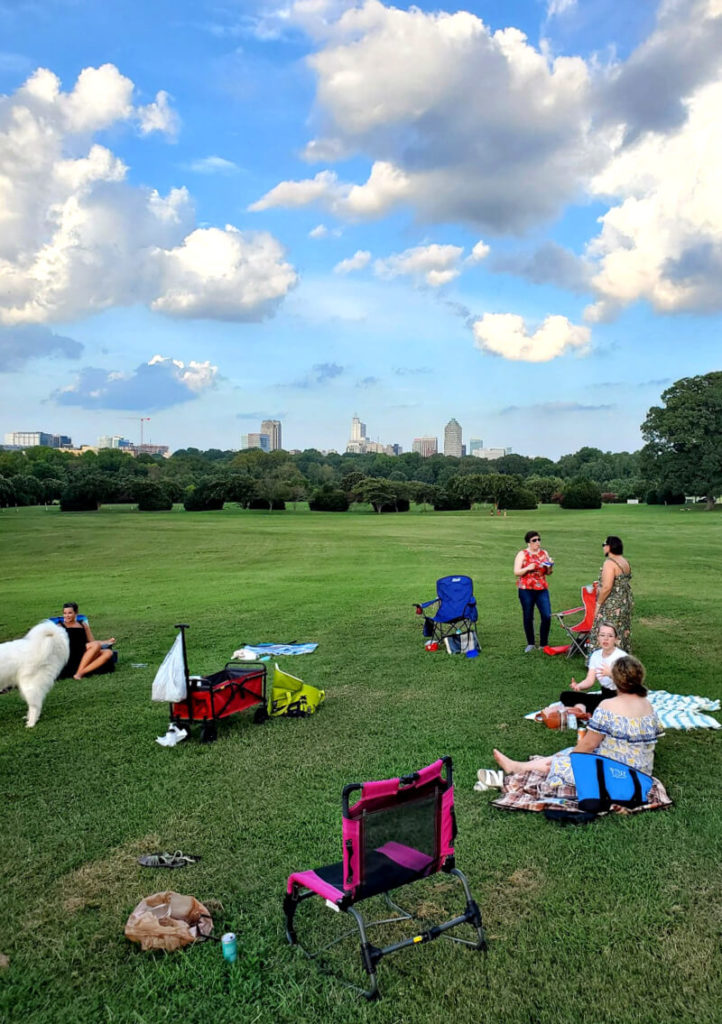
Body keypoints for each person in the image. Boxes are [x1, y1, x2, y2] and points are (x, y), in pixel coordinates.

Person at [493, 656, 663, 793]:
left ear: (616, 681)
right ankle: (518, 766)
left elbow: (588, 745)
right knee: (568, 754)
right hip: (642, 774)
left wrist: (570, 761)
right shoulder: (647, 705)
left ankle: (519, 769)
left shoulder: (608, 706)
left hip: (618, 776)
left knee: (564, 761)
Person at [558, 622, 627, 714]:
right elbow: (590, 680)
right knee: (565, 696)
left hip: (622, 697)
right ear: (598, 637)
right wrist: (579, 686)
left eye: (610, 636)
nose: (605, 638)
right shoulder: (596, 655)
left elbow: (629, 683)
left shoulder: (622, 657)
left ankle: (583, 710)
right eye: (602, 635)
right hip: (605, 695)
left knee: (609, 708)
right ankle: (583, 711)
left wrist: (611, 674)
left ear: (616, 639)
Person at [588, 535, 633, 651]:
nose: (603, 548)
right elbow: (619, 581)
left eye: (604, 545)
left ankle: (604, 660)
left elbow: (607, 587)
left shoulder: (609, 563)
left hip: (612, 603)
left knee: (605, 630)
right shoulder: (624, 561)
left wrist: (598, 603)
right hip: (624, 601)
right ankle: (620, 657)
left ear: (609, 547)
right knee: (620, 629)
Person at [514, 530, 554, 653]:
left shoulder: (544, 553)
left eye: (539, 539)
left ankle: (543, 643)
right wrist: (527, 568)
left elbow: (549, 573)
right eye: (534, 540)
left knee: (547, 615)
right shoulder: (522, 554)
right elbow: (516, 572)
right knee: (528, 616)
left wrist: (550, 566)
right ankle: (530, 643)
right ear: (528, 542)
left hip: (541, 588)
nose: (537, 542)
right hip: (526, 589)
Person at [58, 602, 116, 680]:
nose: (66, 616)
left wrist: (106, 642)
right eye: (64, 613)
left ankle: (80, 673)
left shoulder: (83, 624)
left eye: (70, 613)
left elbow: (92, 641)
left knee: (108, 652)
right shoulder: (60, 626)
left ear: (76, 613)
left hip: (84, 652)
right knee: (96, 645)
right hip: (70, 653)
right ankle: (79, 673)